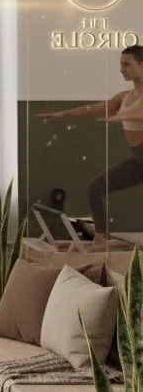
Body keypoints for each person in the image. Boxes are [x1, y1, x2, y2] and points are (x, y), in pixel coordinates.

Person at [38, 44, 143, 246]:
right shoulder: (124, 97)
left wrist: (121, 116)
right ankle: (101, 238)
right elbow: (91, 109)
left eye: (127, 64)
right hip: (138, 159)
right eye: (120, 65)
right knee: (95, 188)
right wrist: (62, 114)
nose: (122, 69)